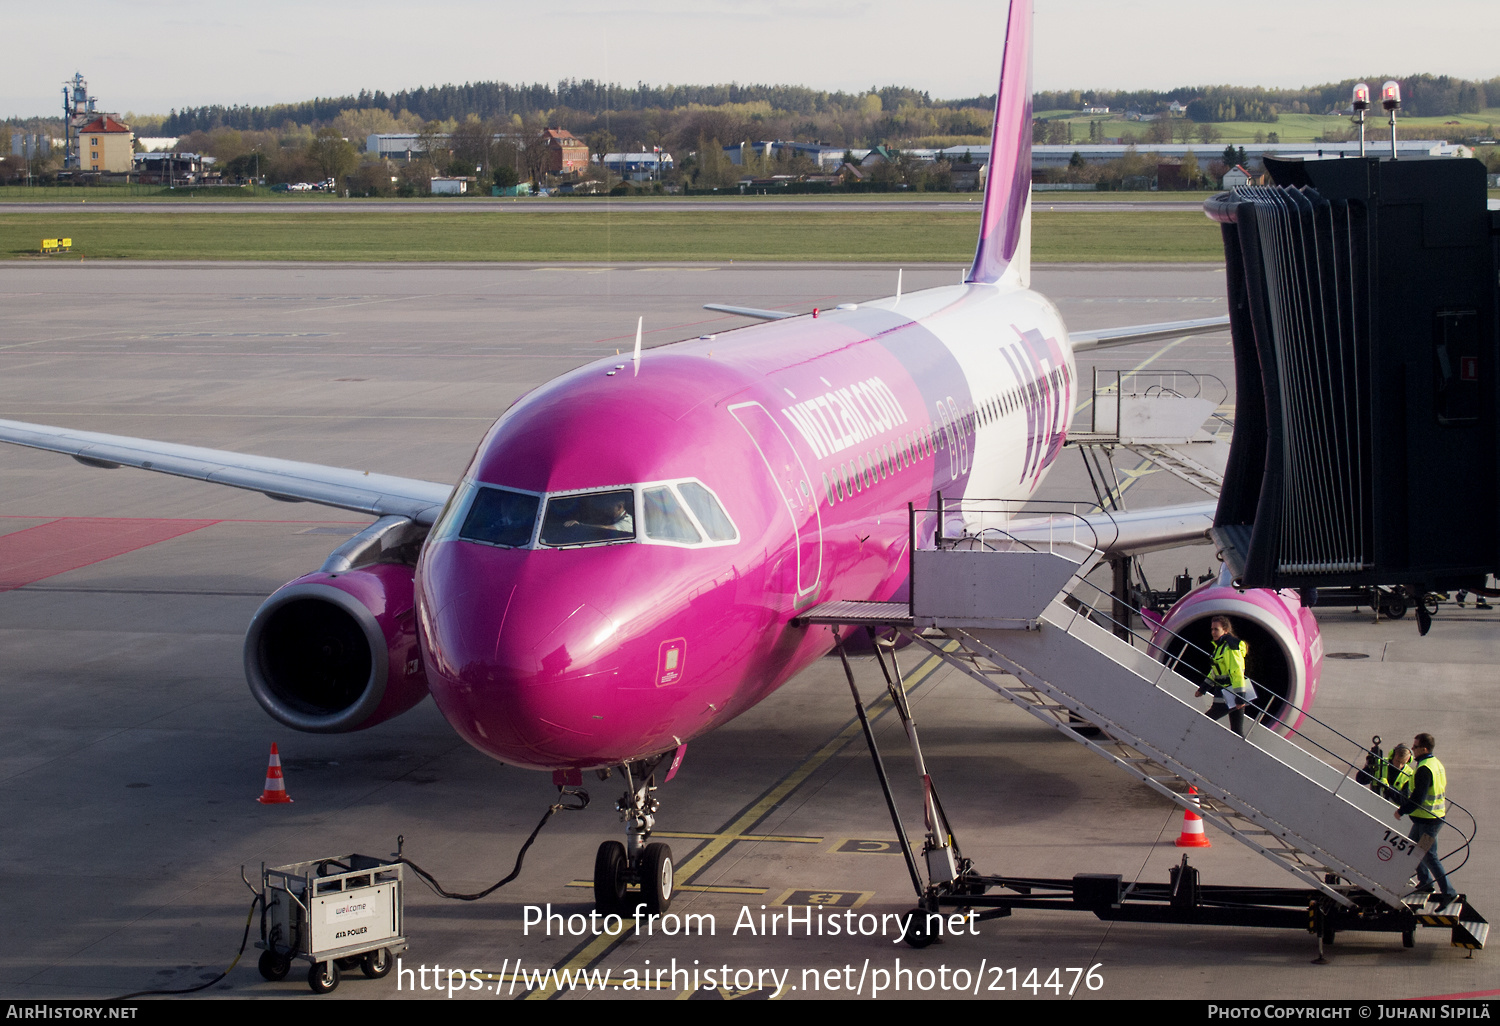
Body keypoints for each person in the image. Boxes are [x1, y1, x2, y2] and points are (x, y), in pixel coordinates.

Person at [1393, 732, 1452, 901]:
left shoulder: (1424, 769)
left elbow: (1418, 798)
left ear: (1424, 749)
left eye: (1415, 746)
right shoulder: (1434, 763)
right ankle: (1425, 883)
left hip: (1429, 821)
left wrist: (1402, 810)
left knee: (1429, 855)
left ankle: (1448, 892)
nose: (1412, 749)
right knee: (1412, 850)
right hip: (1427, 818)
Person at [1197, 615, 1253, 737]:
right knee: (1237, 732)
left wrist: (1240, 697)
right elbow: (1215, 672)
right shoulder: (1220, 647)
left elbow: (1237, 672)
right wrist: (1204, 688)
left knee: (1202, 723)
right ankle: (1241, 755)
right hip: (1225, 694)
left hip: (1229, 695)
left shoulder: (1230, 648)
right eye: (1212, 629)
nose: (1213, 632)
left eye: (1216, 629)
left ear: (1225, 630)